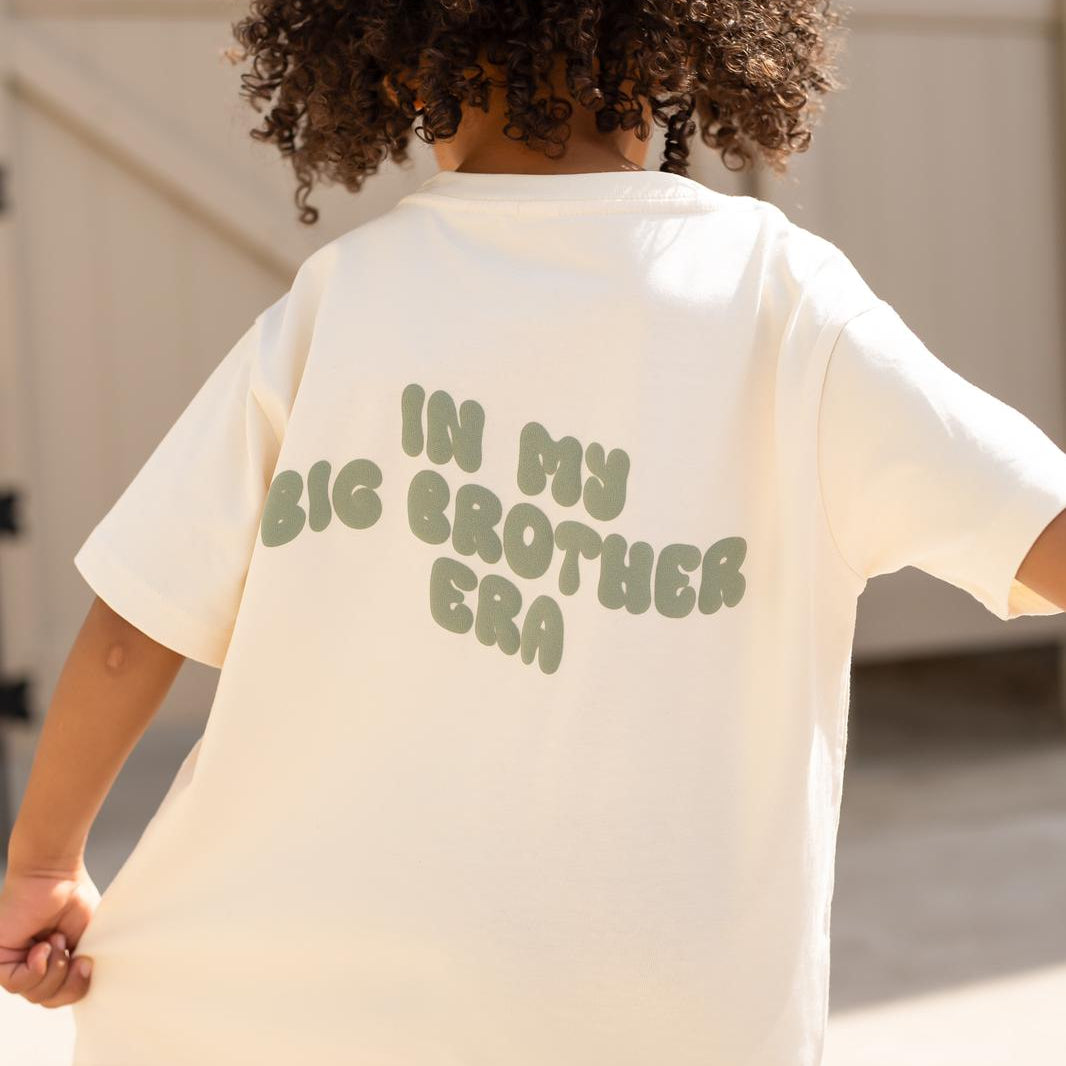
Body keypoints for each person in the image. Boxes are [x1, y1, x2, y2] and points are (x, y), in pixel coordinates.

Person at [3, 2, 1066, 1063]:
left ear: (398, 74)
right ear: (678, 52)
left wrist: (43, 864)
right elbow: (1040, 531)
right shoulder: (785, 302)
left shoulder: (342, 301)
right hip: (658, 1018)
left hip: (305, 1008)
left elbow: (130, 626)